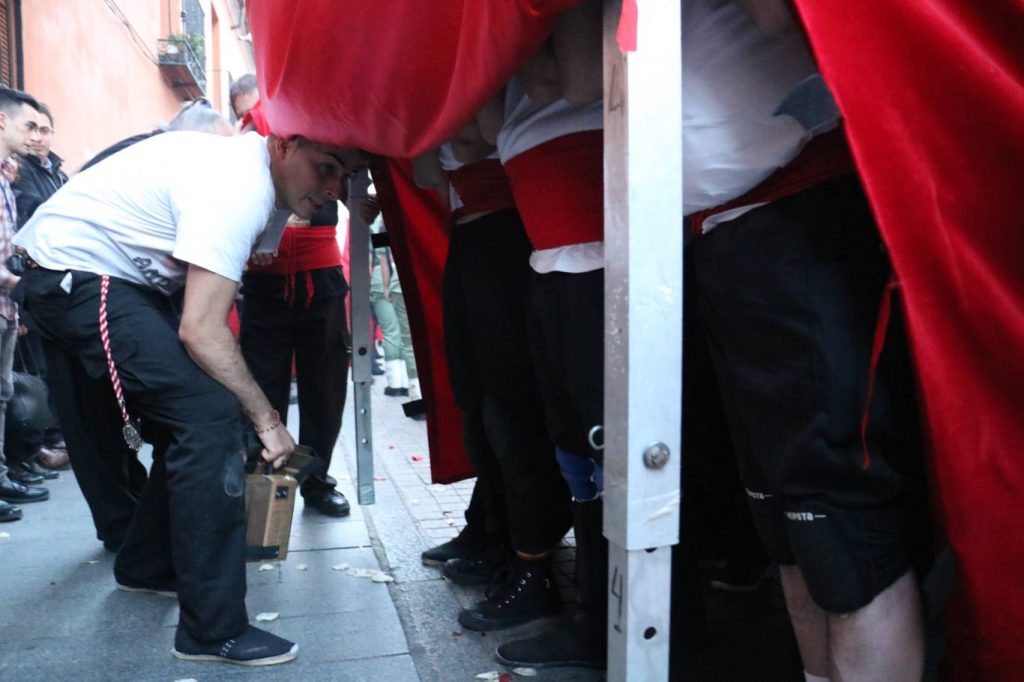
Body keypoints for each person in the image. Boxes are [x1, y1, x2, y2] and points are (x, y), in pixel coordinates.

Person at [14, 124, 365, 665]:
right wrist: (267, 418)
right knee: (209, 417)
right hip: (81, 272)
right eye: (327, 167)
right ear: (284, 145)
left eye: (346, 175)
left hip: (106, 276)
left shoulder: (265, 186)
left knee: (195, 419)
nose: (334, 188)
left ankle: (147, 565)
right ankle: (210, 630)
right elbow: (202, 328)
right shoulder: (239, 186)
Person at [684, 2, 928, 680]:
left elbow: (774, 18)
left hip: (803, 213)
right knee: (788, 528)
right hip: (727, 233)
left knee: (840, 530)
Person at [239, 101, 353, 518]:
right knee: (263, 386)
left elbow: (349, 183)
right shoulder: (261, 122)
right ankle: (265, 485)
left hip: (320, 277)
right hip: (264, 282)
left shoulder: (337, 119)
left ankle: (318, 481)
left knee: (324, 388)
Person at [0, 87, 48, 521]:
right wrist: (18, 283)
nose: (36, 135)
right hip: (6, 292)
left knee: (2, 392)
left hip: (6, 302)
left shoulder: (7, 173)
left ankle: (1, 473)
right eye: (28, 125)